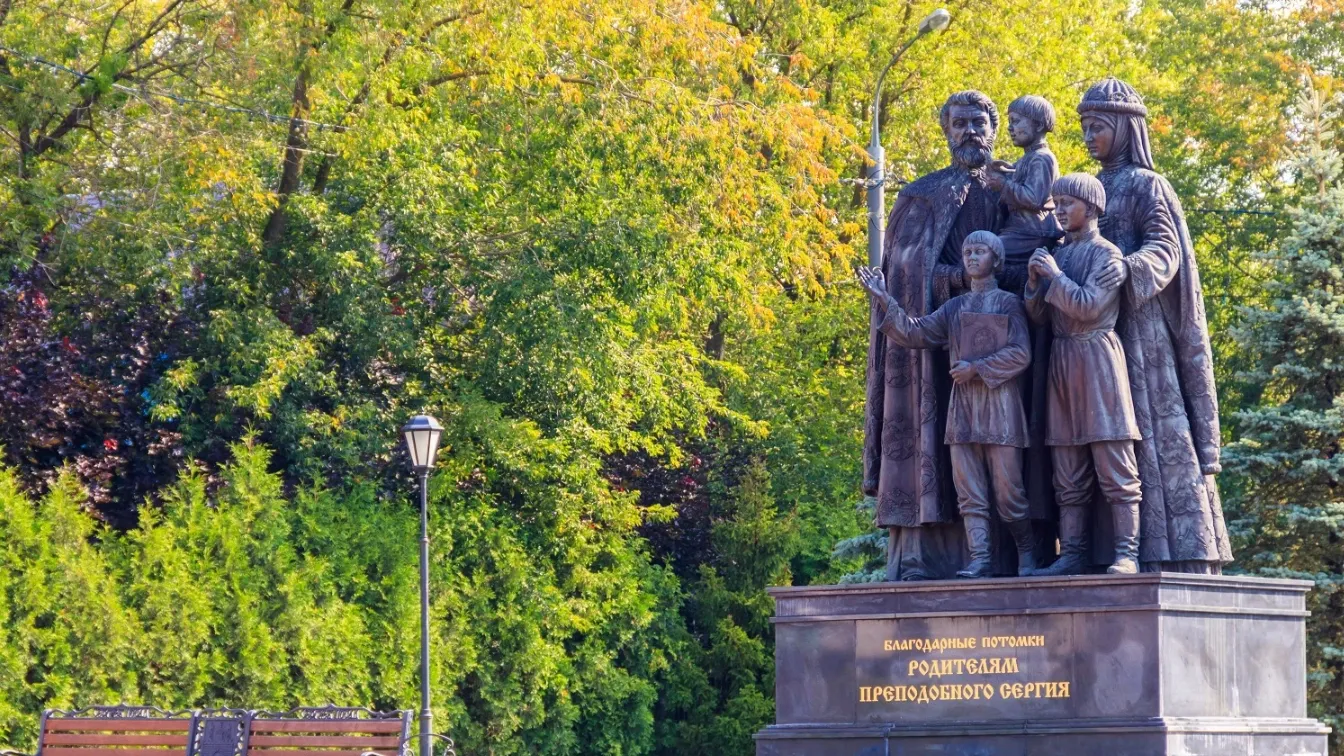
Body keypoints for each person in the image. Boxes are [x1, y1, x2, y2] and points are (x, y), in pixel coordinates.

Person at [1076, 78, 1233, 573]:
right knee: (1104, 438)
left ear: (1125, 128)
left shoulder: (1148, 185)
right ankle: (1108, 550)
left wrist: (1129, 266)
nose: (1089, 138)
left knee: (1151, 432)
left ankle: (1174, 552)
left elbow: (1166, 250)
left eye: (1098, 127)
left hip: (1142, 334)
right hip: (1095, 331)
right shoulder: (1092, 187)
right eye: (1084, 128)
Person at [863, 90, 1003, 581]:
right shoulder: (920, 195)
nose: (969, 131)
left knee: (996, 453)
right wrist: (955, 280)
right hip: (930, 346)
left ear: (994, 128)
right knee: (928, 443)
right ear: (945, 131)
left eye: (978, 122)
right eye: (959, 123)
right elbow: (903, 267)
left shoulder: (1015, 189)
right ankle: (924, 555)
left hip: (995, 345)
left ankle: (1002, 552)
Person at [860, 231, 1036, 578]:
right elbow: (915, 332)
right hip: (963, 411)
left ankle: (1027, 553)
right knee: (970, 492)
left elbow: (1021, 353)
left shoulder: (1008, 303)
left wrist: (978, 369)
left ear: (995, 260)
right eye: (968, 251)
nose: (971, 257)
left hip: (1000, 408)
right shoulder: (955, 307)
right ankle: (981, 558)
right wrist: (885, 300)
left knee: (1009, 492)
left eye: (980, 251)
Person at [1024, 174, 1142, 574]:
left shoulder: (1108, 255)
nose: (1058, 210)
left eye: (1067, 203)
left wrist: (1055, 276)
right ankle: (1072, 553)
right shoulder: (1060, 252)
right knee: (1067, 463)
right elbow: (1039, 317)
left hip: (1097, 358)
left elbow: (1090, 307)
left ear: (1091, 208)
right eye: (1055, 202)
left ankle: (1127, 553)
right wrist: (1033, 283)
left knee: (1114, 459)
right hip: (1062, 358)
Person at [986, 95, 1063, 293]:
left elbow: (1034, 198)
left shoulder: (1042, 159)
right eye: (1009, 122)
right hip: (1019, 230)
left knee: (985, 253)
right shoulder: (1026, 159)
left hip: (1034, 232)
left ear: (1038, 125)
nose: (1010, 128)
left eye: (1016, 121)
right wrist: (1006, 174)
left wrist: (1003, 185)